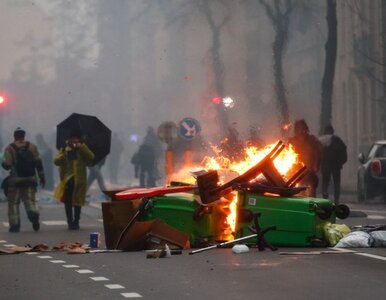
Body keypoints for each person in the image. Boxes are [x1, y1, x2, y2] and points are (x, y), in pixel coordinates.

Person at [1, 127, 45, 232]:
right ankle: (33, 212)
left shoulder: (10, 148)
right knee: (29, 200)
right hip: (30, 179)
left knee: (14, 203)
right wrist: (42, 177)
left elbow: (7, 164)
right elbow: (39, 163)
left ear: (14, 136)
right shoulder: (32, 147)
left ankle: (15, 225)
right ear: (24, 136)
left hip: (15, 181)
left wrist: (3, 164)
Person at [54, 129, 94, 230]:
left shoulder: (82, 149)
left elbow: (91, 157)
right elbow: (56, 161)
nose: (74, 143)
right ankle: (70, 221)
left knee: (78, 202)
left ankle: (76, 220)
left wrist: (82, 147)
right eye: (73, 141)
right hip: (68, 180)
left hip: (80, 181)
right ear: (69, 140)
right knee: (68, 202)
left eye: (76, 141)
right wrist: (64, 155)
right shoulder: (64, 149)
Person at [288, 120, 323, 197]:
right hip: (296, 173)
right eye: (299, 129)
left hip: (309, 172)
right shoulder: (292, 141)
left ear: (306, 129)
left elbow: (318, 153)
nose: (301, 131)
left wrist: (316, 166)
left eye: (303, 129)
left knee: (310, 195)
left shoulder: (312, 140)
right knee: (298, 195)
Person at [319, 124, 347, 204]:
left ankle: (325, 198)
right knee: (336, 183)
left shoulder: (321, 140)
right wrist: (341, 162)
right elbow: (343, 150)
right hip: (336, 166)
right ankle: (336, 200)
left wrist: (318, 163)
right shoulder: (337, 140)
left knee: (325, 183)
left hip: (325, 165)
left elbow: (316, 152)